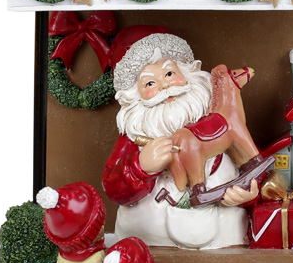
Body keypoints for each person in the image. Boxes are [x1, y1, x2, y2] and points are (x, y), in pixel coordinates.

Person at [102, 30, 260, 249]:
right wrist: (140, 167)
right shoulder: (136, 134)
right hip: (148, 245)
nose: (165, 86)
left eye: (169, 73)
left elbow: (252, 164)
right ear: (134, 95)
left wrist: (249, 195)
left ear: (187, 74)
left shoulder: (217, 125)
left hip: (222, 243)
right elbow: (113, 187)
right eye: (150, 83)